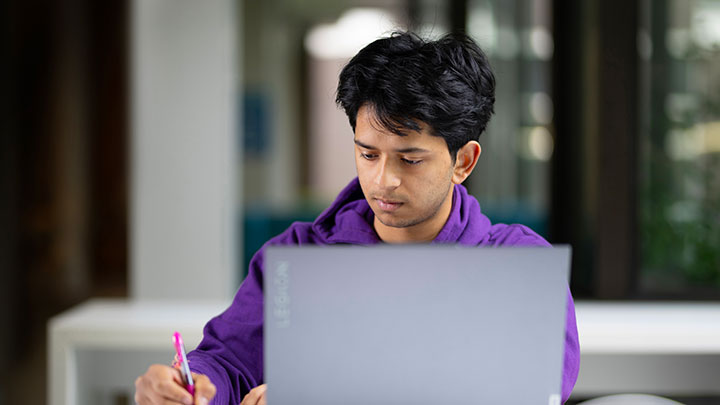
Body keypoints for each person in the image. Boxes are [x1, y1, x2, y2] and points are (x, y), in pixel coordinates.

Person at [134, 31, 580, 405]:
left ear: (463, 161)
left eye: (410, 160)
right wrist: (190, 386)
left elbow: (529, 389)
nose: (383, 180)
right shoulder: (296, 256)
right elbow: (229, 362)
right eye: (368, 154)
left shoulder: (516, 265)